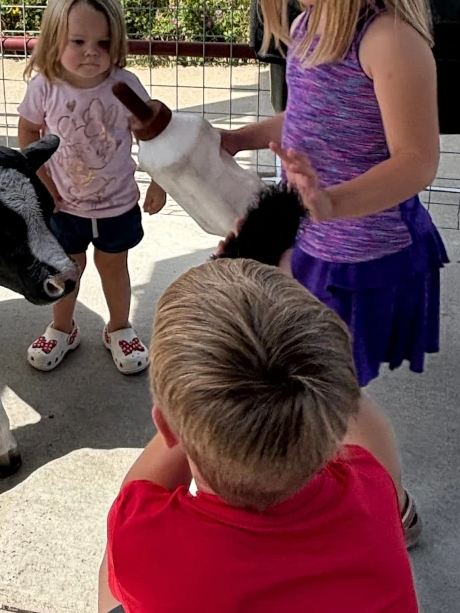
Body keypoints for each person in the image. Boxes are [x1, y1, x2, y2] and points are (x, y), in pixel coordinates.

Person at [221, 0, 447, 547]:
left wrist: (336, 201)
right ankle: (332, 479)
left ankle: (395, 511)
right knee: (309, 379)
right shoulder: (313, 23)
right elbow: (311, 117)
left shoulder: (391, 42)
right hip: (317, 240)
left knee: (335, 397)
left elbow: (418, 160)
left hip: (366, 253)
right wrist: (241, 138)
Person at [98, 260, 419, 613]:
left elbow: (136, 491)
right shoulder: (372, 493)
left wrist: (190, 412)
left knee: (113, 574)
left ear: (166, 427)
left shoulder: (145, 540)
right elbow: (365, 426)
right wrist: (313, 353)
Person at [17, 0, 166, 374]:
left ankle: (119, 328)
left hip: (117, 202)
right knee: (66, 267)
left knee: (114, 265)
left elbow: (153, 136)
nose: (91, 52)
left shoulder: (124, 86)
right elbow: (28, 131)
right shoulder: (44, 88)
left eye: (102, 43)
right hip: (63, 204)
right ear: (53, 40)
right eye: (78, 40)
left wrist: (160, 181)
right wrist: (41, 180)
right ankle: (62, 327)